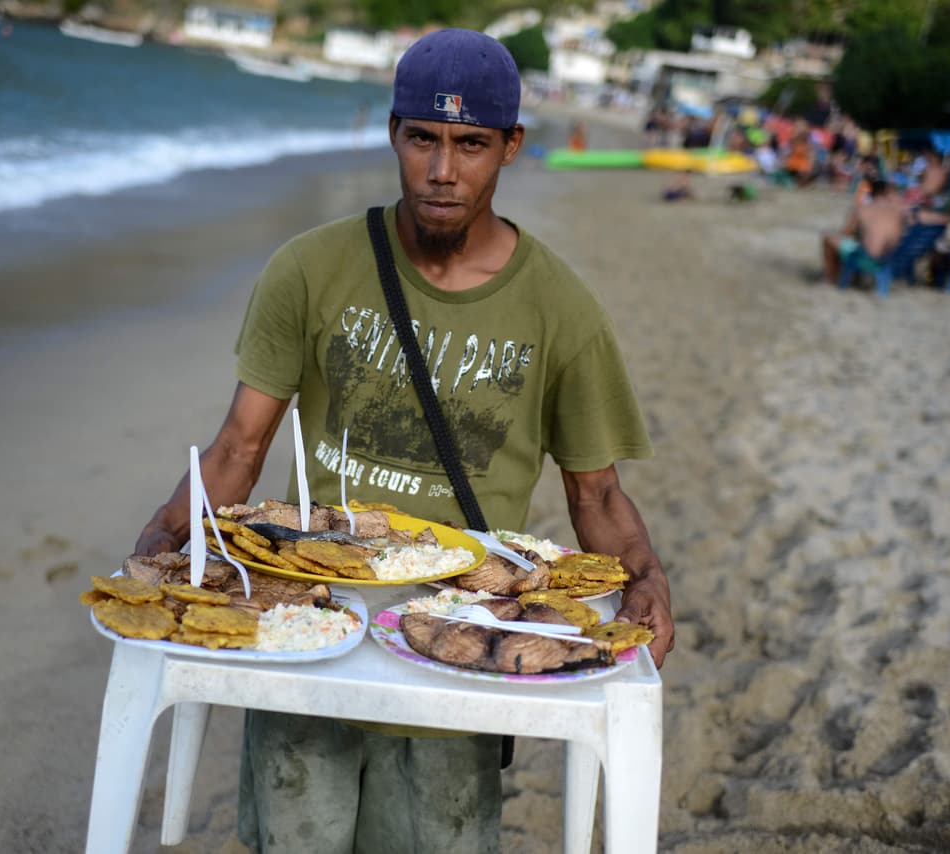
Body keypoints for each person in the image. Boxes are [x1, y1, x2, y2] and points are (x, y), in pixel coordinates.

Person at [132, 28, 674, 854]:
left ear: (511, 147)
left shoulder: (561, 309)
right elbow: (240, 445)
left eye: (471, 144)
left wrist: (648, 581)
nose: (443, 170)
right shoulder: (311, 268)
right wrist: (161, 538)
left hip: (458, 634)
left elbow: (593, 492)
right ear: (393, 133)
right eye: (423, 138)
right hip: (311, 623)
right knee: (298, 834)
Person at [821, 178, 906, 283]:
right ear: (886, 193)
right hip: (889, 258)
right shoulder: (898, 212)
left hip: (867, 257)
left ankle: (831, 279)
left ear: (872, 193)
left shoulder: (863, 209)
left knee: (829, 239)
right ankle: (850, 277)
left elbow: (845, 233)